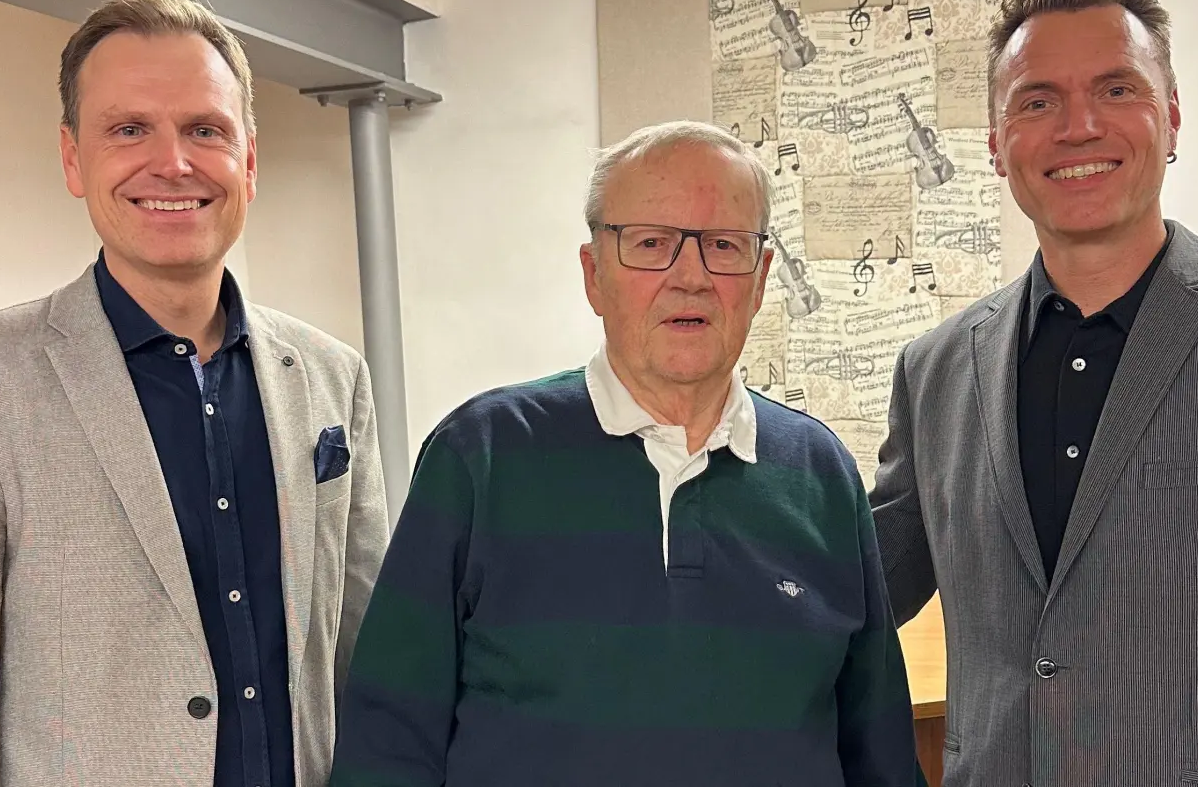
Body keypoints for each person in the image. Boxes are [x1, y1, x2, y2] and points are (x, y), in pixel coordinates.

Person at [870, 0, 1198, 786]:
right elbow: (855, 592)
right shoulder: (935, 370)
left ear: (1172, 119)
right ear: (997, 147)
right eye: (1036, 101)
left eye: (1117, 90)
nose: (1078, 127)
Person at [0, 0, 389, 787]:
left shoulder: (331, 374)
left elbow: (364, 646)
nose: (172, 163)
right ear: (75, 160)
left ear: (249, 159)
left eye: (205, 129)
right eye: (129, 129)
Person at [329, 121, 923, 786]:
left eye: (723, 245)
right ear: (594, 275)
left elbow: (882, 753)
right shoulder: (479, 456)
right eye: (651, 244)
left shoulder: (820, 474)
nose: (690, 277)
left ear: (759, 279)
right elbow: (386, 745)